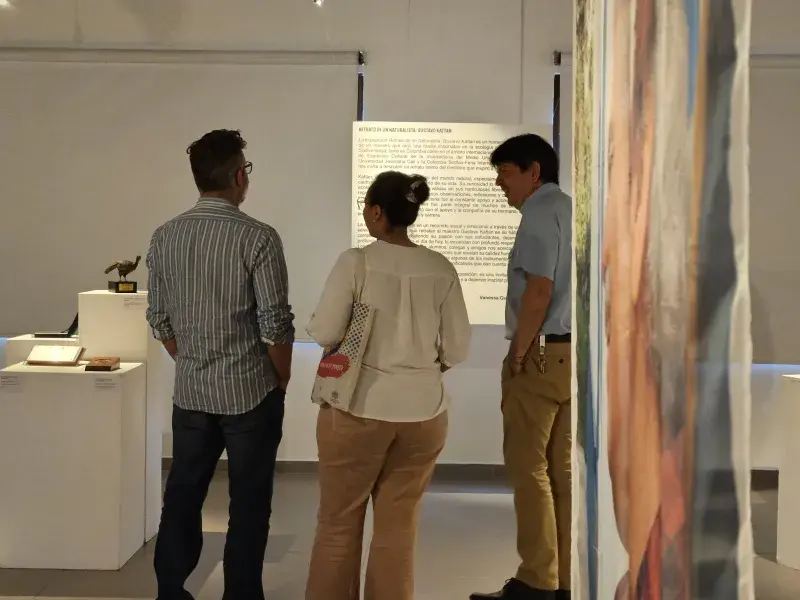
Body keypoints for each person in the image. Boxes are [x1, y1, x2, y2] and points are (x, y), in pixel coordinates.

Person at [304, 171, 471, 600]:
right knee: (398, 529)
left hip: (357, 408)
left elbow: (326, 331)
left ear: (377, 212)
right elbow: (457, 347)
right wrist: (423, 370)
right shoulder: (440, 267)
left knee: (338, 523)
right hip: (424, 414)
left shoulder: (356, 262)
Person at [146, 129, 294, 600]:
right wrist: (281, 376)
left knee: (182, 496)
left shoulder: (165, 235)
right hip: (251, 394)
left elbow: (159, 318)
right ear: (238, 177)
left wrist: (190, 358)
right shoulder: (259, 237)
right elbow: (275, 324)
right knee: (249, 503)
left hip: (191, 392)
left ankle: (170, 590)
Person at [471, 134, 573, 600]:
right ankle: (563, 579)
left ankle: (536, 580)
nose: (499, 183)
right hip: (568, 356)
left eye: (505, 172)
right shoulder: (569, 209)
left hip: (539, 354)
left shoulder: (538, 211)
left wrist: (518, 354)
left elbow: (539, 290)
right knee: (558, 471)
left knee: (527, 467)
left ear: (534, 172)